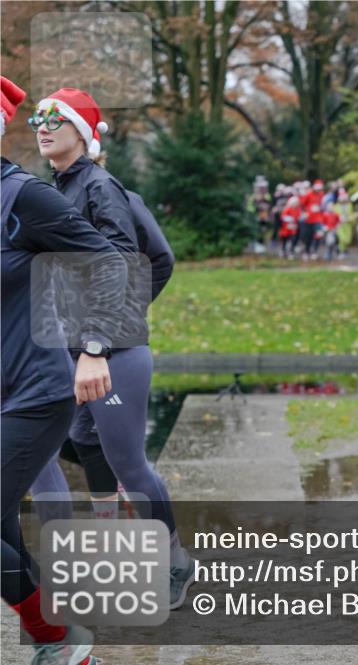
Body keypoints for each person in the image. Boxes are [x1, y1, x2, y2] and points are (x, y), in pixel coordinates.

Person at [29, 87, 195, 607]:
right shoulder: (55, 187)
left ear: (82, 131)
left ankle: (176, 563)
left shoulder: (99, 186)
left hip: (110, 352)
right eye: (38, 116)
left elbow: (132, 262)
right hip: (79, 351)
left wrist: (109, 332)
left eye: (56, 117)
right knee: (86, 445)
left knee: (129, 465)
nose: (43, 124)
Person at [2, 75, 126, 665]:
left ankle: (58, 641)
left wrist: (95, 348)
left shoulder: (23, 197)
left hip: (35, 390)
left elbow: (108, 261)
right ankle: (58, 642)